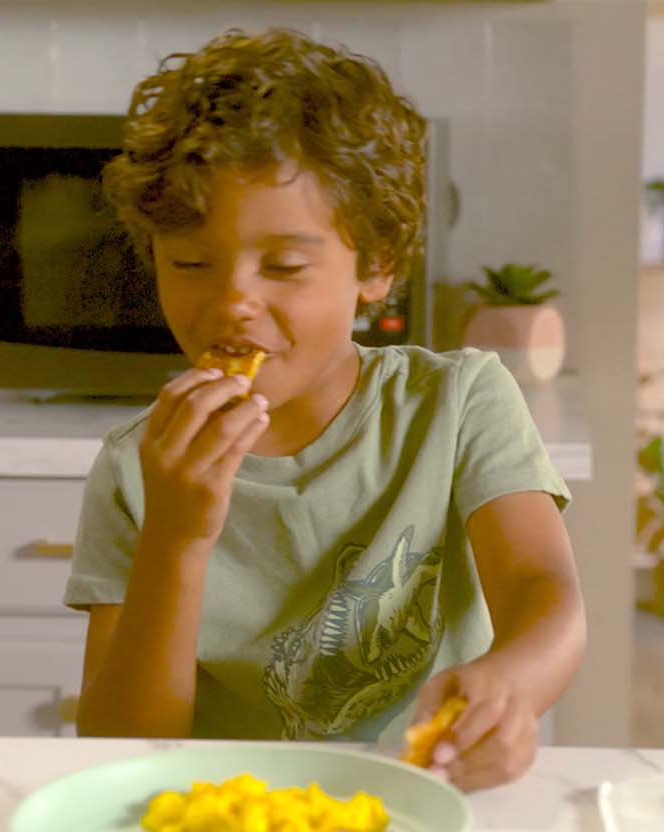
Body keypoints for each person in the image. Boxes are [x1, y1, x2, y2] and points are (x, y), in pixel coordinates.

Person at [65, 28, 585, 793]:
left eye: (284, 265)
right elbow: (120, 744)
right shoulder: (140, 467)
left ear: (376, 264)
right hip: (230, 817)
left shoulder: (458, 403)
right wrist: (175, 535)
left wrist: (510, 686)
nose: (233, 302)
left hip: (428, 795)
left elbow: (546, 593)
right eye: (191, 262)